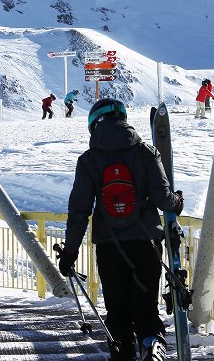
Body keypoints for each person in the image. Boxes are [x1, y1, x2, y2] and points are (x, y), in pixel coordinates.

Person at [58, 98, 184, 361]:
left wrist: (70, 251)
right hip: (146, 243)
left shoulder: (88, 161)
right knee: (145, 307)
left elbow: (79, 211)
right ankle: (151, 342)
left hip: (109, 247)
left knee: (117, 310)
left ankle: (122, 352)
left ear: (94, 124)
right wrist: (177, 201)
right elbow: (163, 198)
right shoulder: (146, 153)